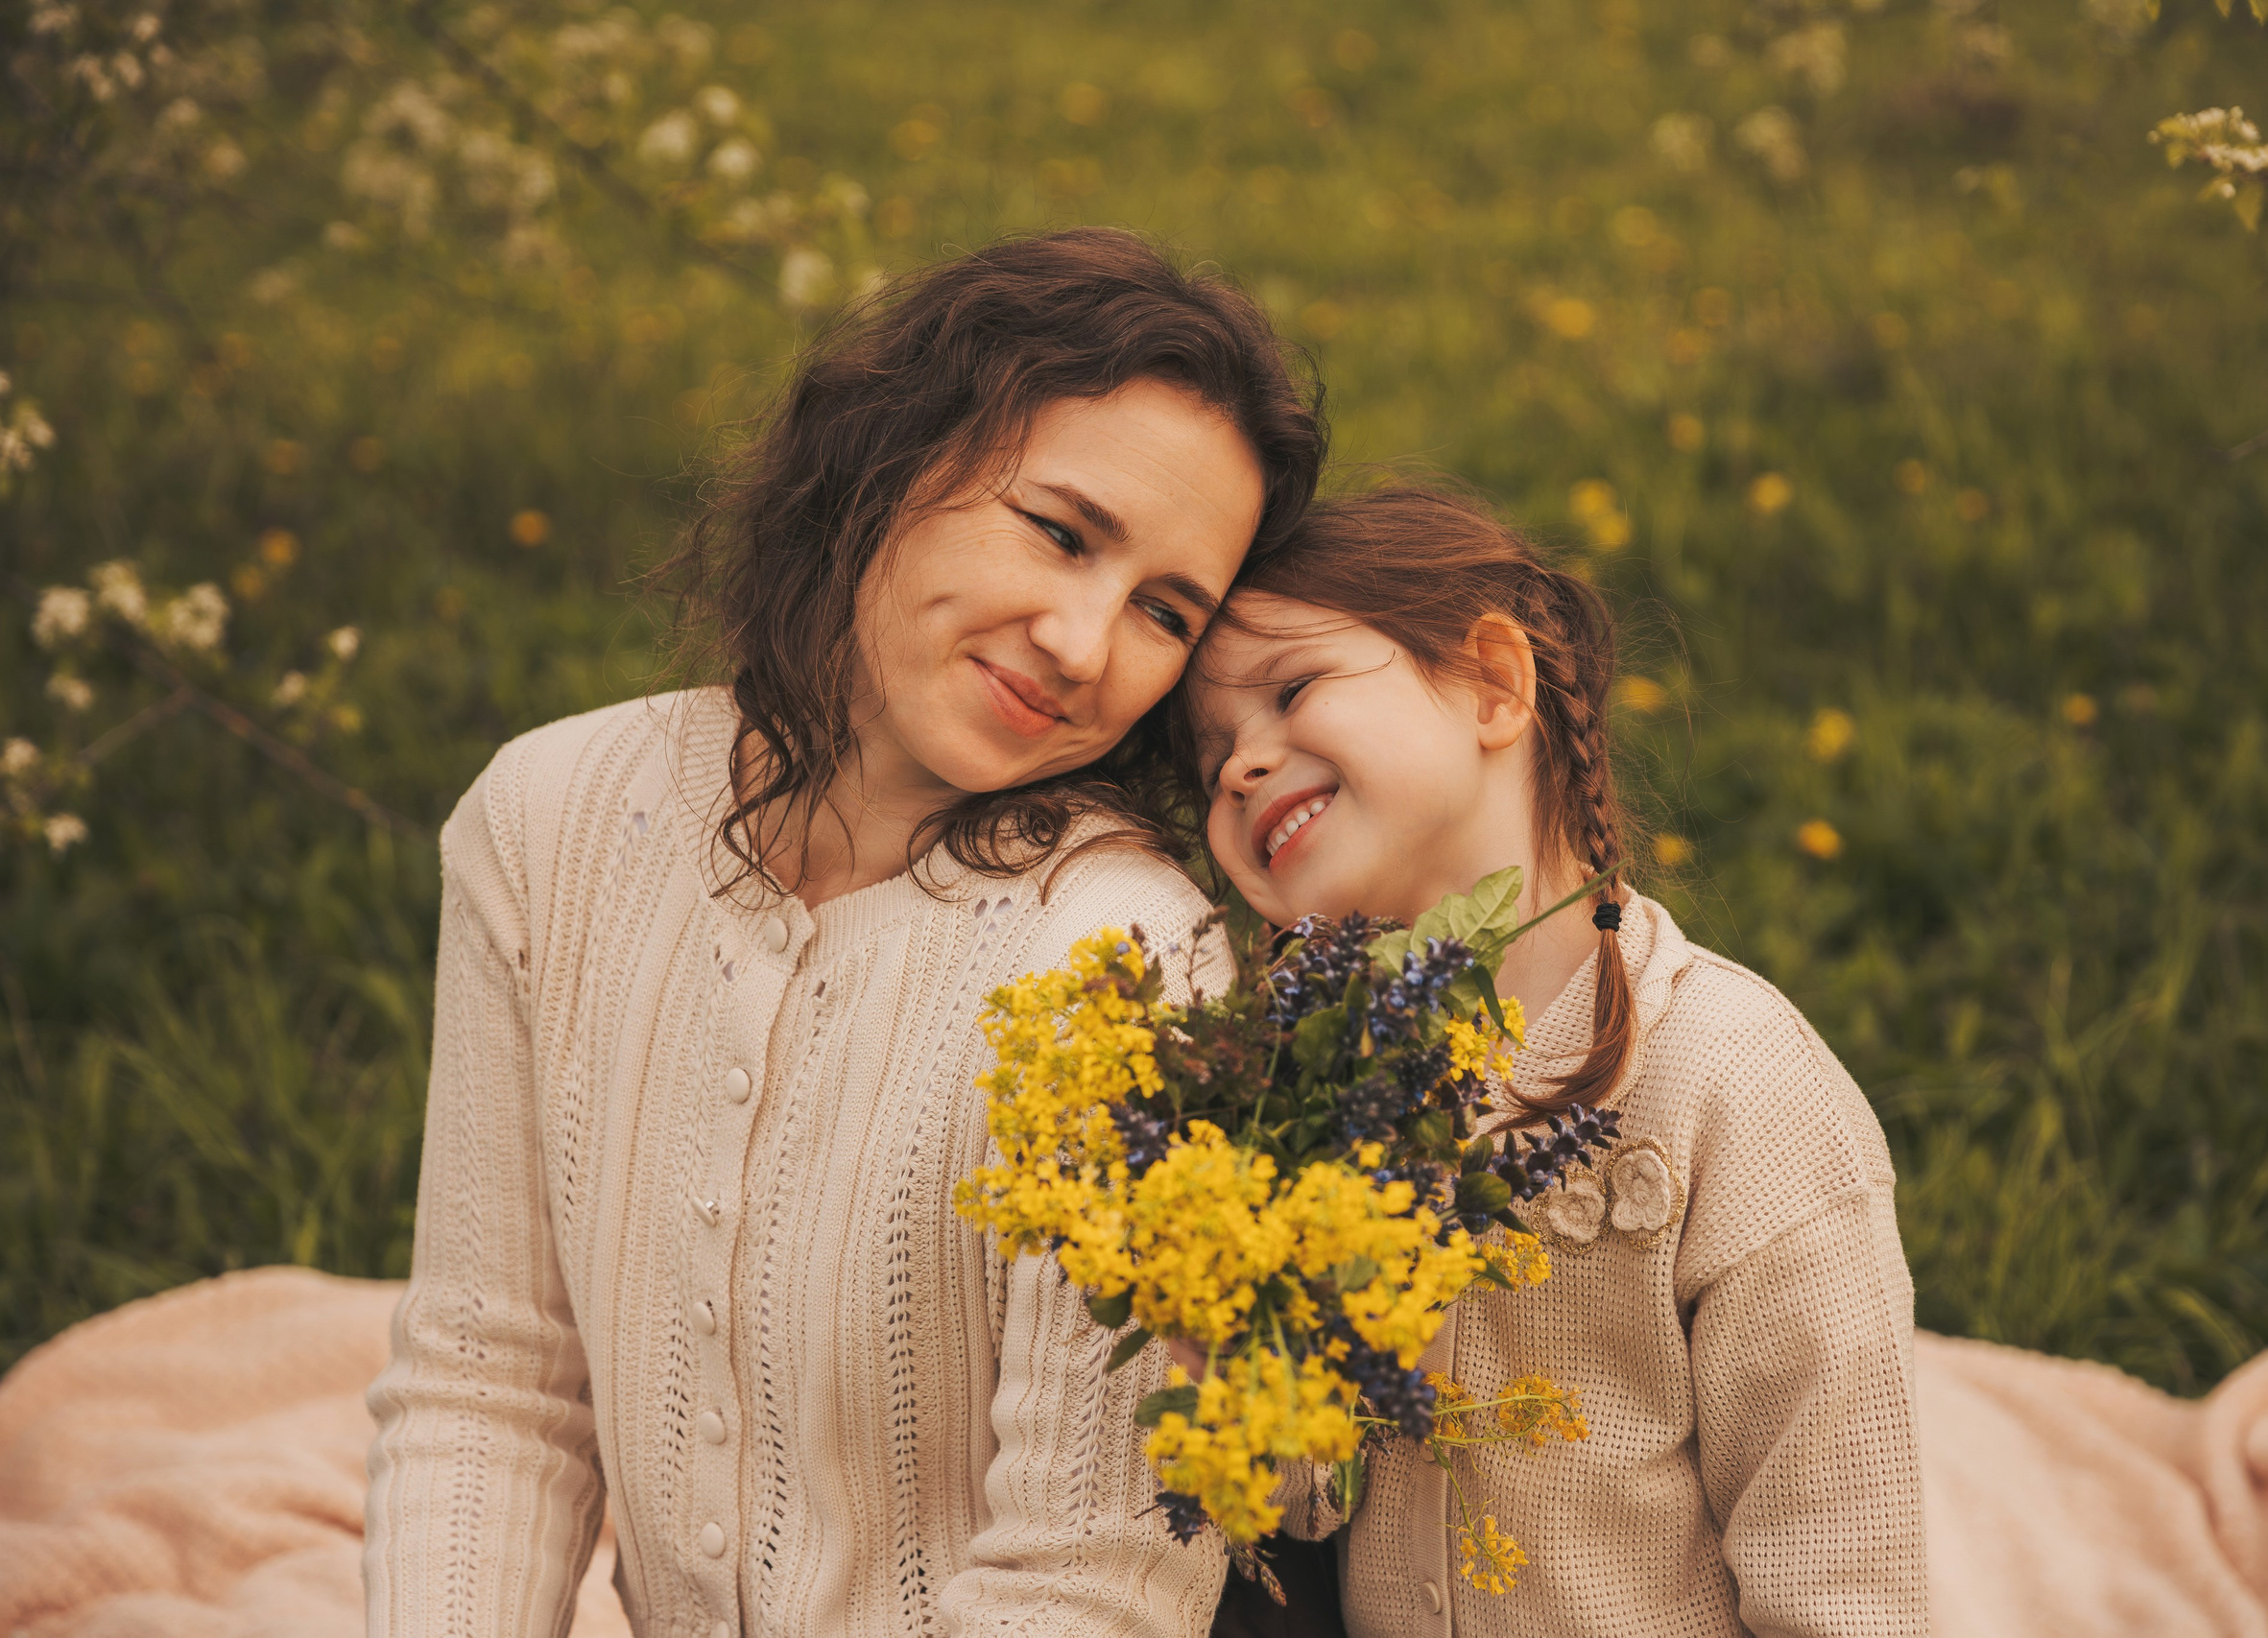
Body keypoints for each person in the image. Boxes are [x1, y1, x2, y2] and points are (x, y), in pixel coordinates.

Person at [363, 228, 1325, 1638]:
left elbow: (1090, 1572)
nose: (1080, 639)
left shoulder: (1126, 954)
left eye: (1161, 611)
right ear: (893, 461)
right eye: (1061, 531)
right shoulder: (552, 815)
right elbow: (490, 1381)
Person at [1176, 487, 1928, 1637]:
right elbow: (1303, 1504)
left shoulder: (1733, 1085)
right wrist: (1211, 1323)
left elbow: (1841, 1573)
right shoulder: (1302, 1091)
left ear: (1493, 683)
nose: (1240, 767)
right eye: (1213, 754)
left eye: (1290, 691)